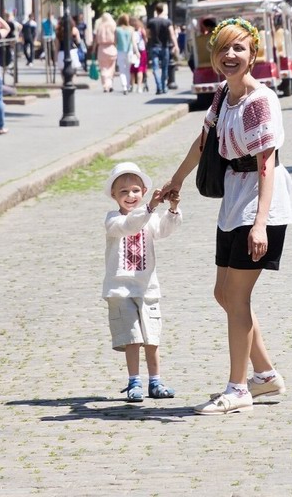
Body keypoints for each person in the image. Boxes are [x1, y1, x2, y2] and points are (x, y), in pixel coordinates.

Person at [161, 17, 292, 415]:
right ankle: (265, 375)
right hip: (234, 198)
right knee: (224, 293)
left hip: (260, 200)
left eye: (239, 48)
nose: (230, 55)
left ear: (253, 53)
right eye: (223, 49)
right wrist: (176, 181)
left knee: (237, 295)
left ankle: (238, 389)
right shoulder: (223, 96)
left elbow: (266, 163)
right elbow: (204, 143)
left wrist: (260, 224)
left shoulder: (259, 101)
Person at [103, 161, 181, 403]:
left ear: (144, 191)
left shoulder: (150, 217)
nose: (130, 196)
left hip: (147, 288)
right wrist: (149, 207)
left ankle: (155, 381)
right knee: (132, 337)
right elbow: (130, 225)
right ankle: (133, 380)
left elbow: (165, 230)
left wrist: (172, 208)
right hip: (120, 289)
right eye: (123, 191)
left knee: (151, 337)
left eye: (135, 190)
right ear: (114, 195)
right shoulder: (113, 219)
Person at [146, 3, 179, 95]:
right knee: (164, 68)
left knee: (155, 68)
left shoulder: (151, 22)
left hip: (154, 47)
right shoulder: (167, 22)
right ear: (163, 10)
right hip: (164, 47)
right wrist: (176, 45)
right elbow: (172, 34)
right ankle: (163, 87)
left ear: (156, 10)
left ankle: (159, 87)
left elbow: (147, 34)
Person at [94, 12, 118, 93]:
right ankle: (110, 83)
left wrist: (93, 49)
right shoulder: (113, 25)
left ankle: (105, 85)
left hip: (101, 48)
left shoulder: (99, 26)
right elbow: (116, 39)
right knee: (111, 68)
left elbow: (95, 40)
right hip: (111, 47)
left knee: (103, 68)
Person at [115, 14, 137, 95]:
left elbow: (115, 42)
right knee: (128, 69)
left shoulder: (117, 30)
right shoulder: (131, 29)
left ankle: (124, 86)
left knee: (122, 70)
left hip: (120, 51)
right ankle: (127, 85)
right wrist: (137, 52)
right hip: (129, 51)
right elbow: (133, 42)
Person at [130, 17, 148, 93]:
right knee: (140, 69)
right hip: (141, 51)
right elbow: (146, 40)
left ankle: (133, 86)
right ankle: (139, 87)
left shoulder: (131, 31)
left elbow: (133, 42)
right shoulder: (141, 30)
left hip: (133, 52)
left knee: (133, 70)